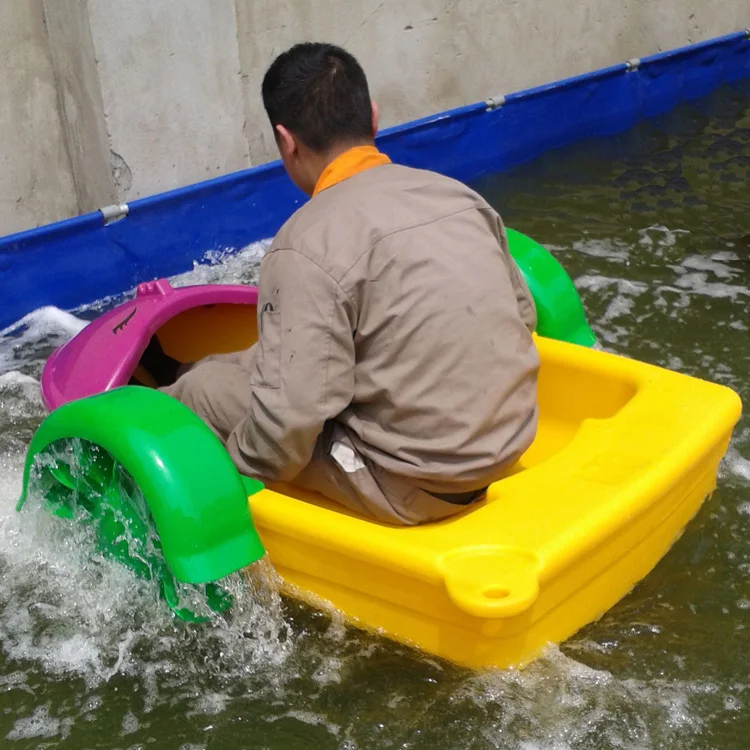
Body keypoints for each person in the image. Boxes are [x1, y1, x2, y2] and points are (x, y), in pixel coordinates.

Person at [163, 42, 540, 526]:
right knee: (260, 363)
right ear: (374, 119)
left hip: (411, 486)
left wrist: (240, 481)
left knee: (202, 390)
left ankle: (166, 393)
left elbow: (288, 426)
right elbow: (522, 316)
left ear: (286, 141)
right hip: (507, 448)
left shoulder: (302, 245)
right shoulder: (459, 197)